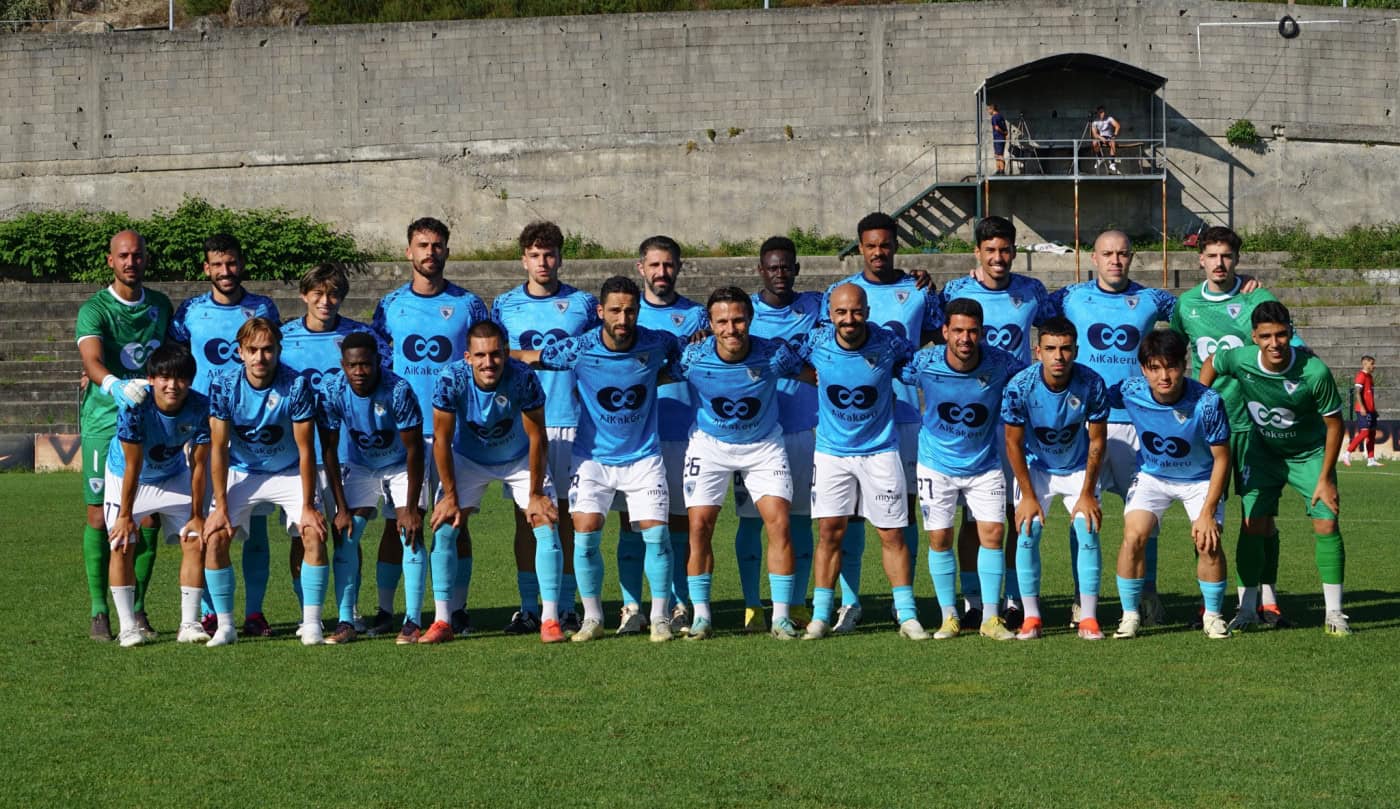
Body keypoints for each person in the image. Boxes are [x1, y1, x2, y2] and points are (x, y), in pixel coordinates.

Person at [524, 275, 684, 643]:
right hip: (591, 458)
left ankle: (659, 618)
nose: (623, 319)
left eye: (630, 311)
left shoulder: (657, 342)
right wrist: (497, 356)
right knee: (586, 536)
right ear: (600, 312)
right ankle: (593, 618)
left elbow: (679, 357)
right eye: (615, 311)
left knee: (657, 537)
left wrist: (652, 380)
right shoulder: (578, 348)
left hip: (643, 457)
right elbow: (535, 358)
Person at [819, 213, 944, 633]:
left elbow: (935, 341)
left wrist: (932, 287)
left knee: (900, 514)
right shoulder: (839, 294)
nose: (878, 252)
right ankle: (850, 604)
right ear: (860, 246)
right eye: (871, 245)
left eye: (886, 245)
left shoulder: (917, 288)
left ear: (895, 246)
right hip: (857, 423)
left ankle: (900, 604)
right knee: (848, 516)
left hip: (906, 415)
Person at [1049, 230, 1177, 627]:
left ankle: (1147, 593)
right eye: (1107, 254)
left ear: (1132, 258)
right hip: (1085, 424)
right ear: (1093, 257)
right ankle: (1080, 598)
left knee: (1145, 515)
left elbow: (1194, 309)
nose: (1115, 260)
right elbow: (1023, 308)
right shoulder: (1068, 297)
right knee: (1083, 513)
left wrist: (1244, 287)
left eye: (1123, 254)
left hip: (1138, 423)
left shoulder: (1154, 299)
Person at [370, 217, 490, 639]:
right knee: (398, 520)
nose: (430, 253)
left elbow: (484, 362)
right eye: (422, 245)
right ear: (408, 251)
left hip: (455, 432)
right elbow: (380, 365)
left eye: (438, 245)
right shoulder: (388, 306)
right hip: (405, 431)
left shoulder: (469, 304)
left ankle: (455, 610)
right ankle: (388, 610)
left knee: (455, 521)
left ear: (447, 251)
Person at [1201, 302, 1351, 635]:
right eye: (1266, 336)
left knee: (1327, 524)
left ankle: (1335, 614)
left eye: (1281, 334)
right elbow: (1212, 362)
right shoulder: (1240, 359)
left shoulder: (1314, 372)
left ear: (1291, 333)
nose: (1274, 343)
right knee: (1253, 524)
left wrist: (1325, 477)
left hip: (1308, 455)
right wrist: (1204, 401)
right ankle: (1247, 610)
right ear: (1254, 337)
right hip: (1262, 453)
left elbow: (1334, 425)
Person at [1170, 226, 1294, 627]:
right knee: (1206, 519)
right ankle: (1212, 605)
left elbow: (1287, 343)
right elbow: (1173, 354)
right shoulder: (1186, 304)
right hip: (1210, 427)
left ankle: (1265, 599)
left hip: (1255, 424)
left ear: (1236, 260)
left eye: (1227, 256)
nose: (1219, 263)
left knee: (1259, 516)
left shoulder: (1256, 297)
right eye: (1212, 256)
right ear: (1200, 260)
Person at [670, 287, 810, 640]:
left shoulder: (775, 354)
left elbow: (818, 375)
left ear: (750, 320)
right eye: (722, 321)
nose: (731, 329)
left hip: (763, 445)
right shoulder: (692, 357)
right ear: (711, 324)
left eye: (738, 320)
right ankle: (701, 616)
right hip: (710, 445)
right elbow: (647, 376)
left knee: (779, 525)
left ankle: (780, 618)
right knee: (699, 526)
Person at [942, 215, 1054, 628]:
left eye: (1005, 250)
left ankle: (1011, 596)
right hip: (972, 420)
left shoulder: (1032, 291)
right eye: (990, 250)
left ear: (1014, 251)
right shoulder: (954, 291)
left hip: (1017, 418)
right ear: (977, 252)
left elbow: (1059, 324)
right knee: (973, 516)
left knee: (1011, 512)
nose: (998, 257)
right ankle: (973, 599)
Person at [169, 234, 281, 638]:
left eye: (231, 263)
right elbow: (176, 363)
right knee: (201, 516)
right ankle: (209, 610)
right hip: (201, 424)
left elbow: (273, 356)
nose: (226, 271)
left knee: (254, 526)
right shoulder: (190, 311)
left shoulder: (262, 308)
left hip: (252, 426)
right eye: (217, 265)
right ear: (207, 269)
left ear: (241, 264)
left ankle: (253, 612)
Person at [802, 283, 927, 641]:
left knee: (891, 533)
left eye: (856, 311)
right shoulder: (814, 342)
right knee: (829, 534)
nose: (849, 319)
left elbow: (917, 366)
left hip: (880, 451)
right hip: (831, 454)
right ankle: (821, 616)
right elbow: (783, 363)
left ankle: (907, 616)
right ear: (830, 314)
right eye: (841, 312)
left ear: (867, 312)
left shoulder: (889, 343)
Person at [429, 321, 564, 644]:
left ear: (505, 353)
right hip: (468, 458)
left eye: (495, 354)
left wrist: (534, 494)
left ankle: (550, 619)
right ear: (467, 357)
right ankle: (442, 620)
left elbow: (537, 438)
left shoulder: (523, 377)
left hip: (518, 457)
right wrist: (449, 496)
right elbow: (441, 440)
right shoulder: (450, 380)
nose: (489, 363)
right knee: (445, 526)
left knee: (544, 521)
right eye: (480, 356)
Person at [493, 221, 596, 634]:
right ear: (523, 259)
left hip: (572, 421)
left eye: (550, 254)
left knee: (569, 516)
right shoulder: (503, 305)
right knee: (527, 517)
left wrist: (535, 357)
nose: (543, 262)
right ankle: (528, 604)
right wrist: (536, 355)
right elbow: (495, 353)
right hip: (525, 424)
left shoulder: (584, 304)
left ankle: (568, 605)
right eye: (535, 255)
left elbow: (593, 351)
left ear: (560, 257)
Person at [902, 298, 1026, 640]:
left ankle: (990, 618)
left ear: (982, 333)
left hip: (984, 464)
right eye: (957, 330)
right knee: (940, 537)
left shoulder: (1002, 363)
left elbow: (1033, 381)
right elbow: (887, 366)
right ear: (944, 332)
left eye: (972, 331)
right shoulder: (923, 363)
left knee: (994, 535)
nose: (965, 338)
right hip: (935, 464)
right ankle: (949, 616)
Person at [201, 317, 326, 646]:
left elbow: (305, 449)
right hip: (242, 469)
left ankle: (311, 623)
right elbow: (218, 447)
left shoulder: (295, 384)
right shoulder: (223, 384)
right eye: (253, 350)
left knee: (312, 532)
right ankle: (226, 626)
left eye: (268, 349)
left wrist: (308, 505)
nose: (260, 357)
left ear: (278, 350)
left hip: (287, 471)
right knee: (215, 535)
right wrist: (221, 506)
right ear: (240, 352)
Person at [75, 230, 174, 641]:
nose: (131, 261)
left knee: (146, 515)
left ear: (146, 259)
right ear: (110, 261)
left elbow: (173, 359)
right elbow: (92, 359)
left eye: (137, 255)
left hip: (151, 422)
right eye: (123, 256)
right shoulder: (95, 308)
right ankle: (100, 609)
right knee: (100, 516)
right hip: (104, 421)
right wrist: (115, 385)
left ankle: (136, 606)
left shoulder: (161, 305)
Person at [280, 263, 389, 636]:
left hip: (348, 453)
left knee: (347, 535)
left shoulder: (360, 336)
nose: (326, 301)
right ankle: (306, 611)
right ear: (303, 295)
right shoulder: (285, 339)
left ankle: (350, 609)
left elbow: (384, 382)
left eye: (333, 294)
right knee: (303, 533)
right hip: (298, 457)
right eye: (318, 294)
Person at [1107, 330, 1232, 640]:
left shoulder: (1207, 402)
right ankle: (1130, 615)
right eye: (1154, 367)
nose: (1164, 376)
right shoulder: (1129, 389)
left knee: (1208, 542)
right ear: (1143, 368)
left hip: (1200, 479)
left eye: (1172, 366)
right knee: (1134, 536)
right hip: (1152, 476)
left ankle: (1214, 616)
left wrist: (1208, 510)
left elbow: (1222, 459)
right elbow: (1088, 393)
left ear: (1184, 364)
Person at [615, 235, 708, 637]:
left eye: (668, 265)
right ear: (641, 268)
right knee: (630, 525)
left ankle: (680, 604)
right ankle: (631, 607)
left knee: (680, 524)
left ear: (679, 267)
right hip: (634, 438)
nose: (661, 273)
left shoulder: (699, 316)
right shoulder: (627, 317)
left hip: (684, 432)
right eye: (654, 265)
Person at [1000, 317, 1110, 640]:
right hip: (1037, 468)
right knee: (1027, 529)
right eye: (1050, 349)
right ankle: (1031, 618)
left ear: (1076, 350)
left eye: (1064, 349)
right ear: (1037, 351)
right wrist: (1029, 495)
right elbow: (1013, 443)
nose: (1058, 356)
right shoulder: (1019, 386)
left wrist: (1087, 492)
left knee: (1086, 527)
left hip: (1077, 467)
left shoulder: (1092, 383)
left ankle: (1088, 617)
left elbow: (1098, 441)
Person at [733, 236, 822, 628]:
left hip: (804, 428)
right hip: (756, 434)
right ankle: (753, 603)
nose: (780, 274)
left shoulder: (815, 305)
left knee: (799, 520)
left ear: (797, 269)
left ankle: (796, 601)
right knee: (751, 521)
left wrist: (913, 276)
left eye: (787, 267)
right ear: (760, 271)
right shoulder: (742, 311)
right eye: (773, 267)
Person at [315, 332, 426, 645]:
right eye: (353, 365)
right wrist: (340, 508)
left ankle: (412, 621)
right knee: (347, 532)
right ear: (343, 365)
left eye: (366, 364)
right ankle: (346, 620)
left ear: (378, 362)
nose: (359, 371)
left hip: (403, 465)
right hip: (361, 465)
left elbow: (415, 449)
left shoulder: (398, 390)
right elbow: (328, 450)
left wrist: (413, 507)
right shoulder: (332, 389)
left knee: (410, 532)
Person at [103, 343, 211, 646]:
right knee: (122, 544)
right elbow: (132, 465)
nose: (172, 385)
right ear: (151, 379)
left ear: (190, 381)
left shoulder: (201, 406)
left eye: (180, 378)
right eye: (164, 377)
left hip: (172, 473)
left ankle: (189, 624)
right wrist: (125, 516)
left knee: (194, 540)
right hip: (125, 476)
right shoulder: (134, 406)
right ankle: (128, 627)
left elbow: (199, 464)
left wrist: (198, 514)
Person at [1343, 355, 1381, 467]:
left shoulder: (1370, 377)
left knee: (1372, 434)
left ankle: (1371, 460)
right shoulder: (1361, 375)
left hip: (1371, 410)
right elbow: (1357, 392)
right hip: (1362, 410)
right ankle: (1347, 453)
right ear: (1365, 363)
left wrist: (1374, 409)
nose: (1374, 366)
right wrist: (1363, 407)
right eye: (1372, 363)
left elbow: (1369, 395)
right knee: (1364, 432)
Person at [1091, 106, 1121, 173]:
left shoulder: (1109, 118)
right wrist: (1101, 138)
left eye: (1103, 112)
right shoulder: (1095, 121)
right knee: (1094, 142)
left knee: (1112, 142)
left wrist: (1114, 135)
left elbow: (1117, 125)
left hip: (1109, 137)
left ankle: (1112, 163)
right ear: (1098, 113)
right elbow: (1094, 134)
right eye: (1101, 112)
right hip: (1101, 137)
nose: (1103, 113)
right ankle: (1100, 158)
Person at [989, 103, 1008, 175]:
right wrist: (1005, 134)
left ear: (992, 109)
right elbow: (1006, 129)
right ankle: (999, 170)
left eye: (989, 110)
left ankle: (1001, 170)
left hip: (998, 137)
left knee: (999, 155)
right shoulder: (1001, 116)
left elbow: (996, 128)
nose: (988, 112)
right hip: (1002, 138)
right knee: (999, 154)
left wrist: (1002, 133)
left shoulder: (994, 117)